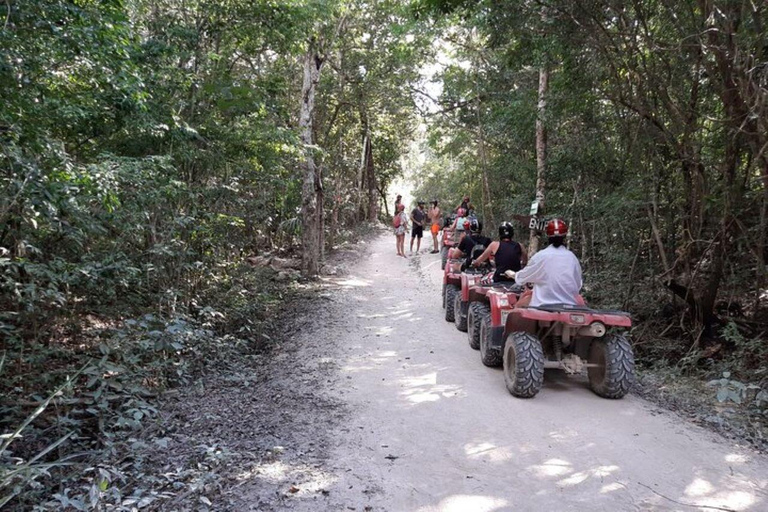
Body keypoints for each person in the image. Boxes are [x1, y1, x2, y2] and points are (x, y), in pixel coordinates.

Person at [512, 218, 582, 307]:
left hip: (543, 305)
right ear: (564, 236)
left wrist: (515, 275)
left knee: (518, 307)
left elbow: (522, 278)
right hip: (569, 306)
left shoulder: (541, 256)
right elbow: (578, 285)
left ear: (548, 236)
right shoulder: (572, 258)